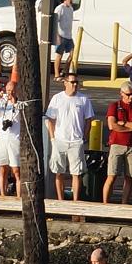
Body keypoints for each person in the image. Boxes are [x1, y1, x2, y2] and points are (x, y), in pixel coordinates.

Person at [44, 72, 94, 201]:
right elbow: (50, 120)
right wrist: (53, 139)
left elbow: (88, 120)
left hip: (76, 141)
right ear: (65, 83)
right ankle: (61, 200)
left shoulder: (84, 99)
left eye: (76, 82)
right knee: (59, 172)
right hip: (59, 140)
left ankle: (75, 201)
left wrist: (84, 137)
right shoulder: (57, 98)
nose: (75, 85)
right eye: (72, 82)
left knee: (76, 173)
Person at [103, 77, 132, 205]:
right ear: (121, 93)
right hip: (116, 144)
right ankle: (105, 203)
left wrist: (122, 124)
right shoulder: (114, 106)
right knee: (112, 175)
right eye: (128, 95)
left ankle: (124, 204)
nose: (130, 97)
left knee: (129, 177)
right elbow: (112, 125)